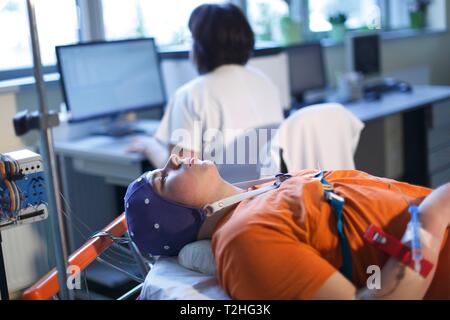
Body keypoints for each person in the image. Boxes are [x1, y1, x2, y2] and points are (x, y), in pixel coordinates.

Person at [125, 155, 450, 300]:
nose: (174, 159)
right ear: (174, 218)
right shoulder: (243, 241)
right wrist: (433, 217)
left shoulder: (274, 186)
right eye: (164, 179)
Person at [128, 3, 284, 168]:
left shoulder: (190, 94)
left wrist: (149, 147)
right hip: (269, 191)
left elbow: (179, 174)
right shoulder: (265, 83)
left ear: (200, 47)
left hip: (222, 194)